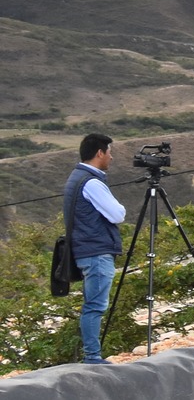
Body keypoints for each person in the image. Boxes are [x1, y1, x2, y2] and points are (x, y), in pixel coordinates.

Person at [64, 133, 127, 364]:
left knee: (93, 304)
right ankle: (92, 356)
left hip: (86, 249)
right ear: (100, 153)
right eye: (110, 152)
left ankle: (92, 354)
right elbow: (118, 214)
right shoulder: (91, 182)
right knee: (95, 305)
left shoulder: (76, 176)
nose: (112, 157)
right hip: (96, 251)